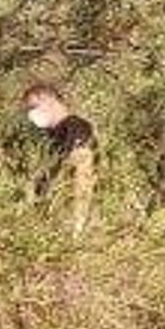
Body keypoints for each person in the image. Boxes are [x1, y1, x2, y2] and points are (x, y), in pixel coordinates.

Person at [22, 83, 98, 236]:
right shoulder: (50, 134)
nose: (31, 114)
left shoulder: (76, 127)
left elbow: (81, 172)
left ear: (48, 101)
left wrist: (76, 225)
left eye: (33, 107)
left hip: (69, 219)